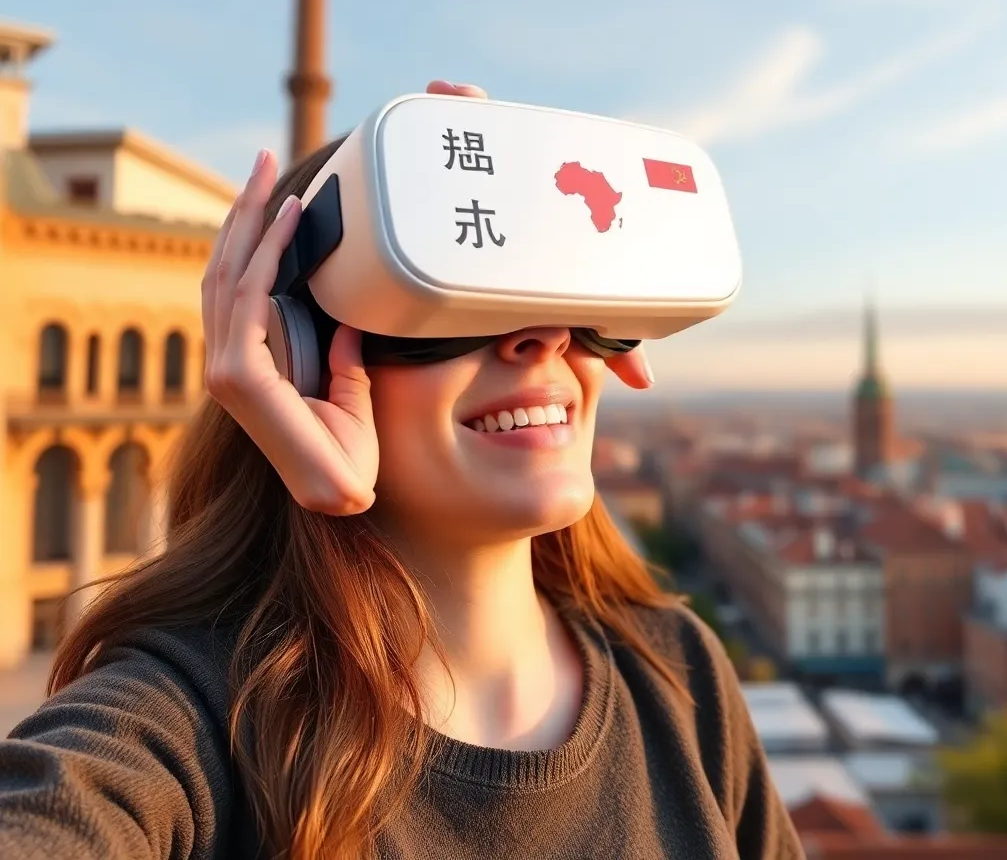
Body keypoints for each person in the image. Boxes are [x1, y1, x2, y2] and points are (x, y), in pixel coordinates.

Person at [0, 81, 803, 860]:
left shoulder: (677, 670)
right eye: (448, 300)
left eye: (558, 293)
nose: (542, 338)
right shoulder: (191, 724)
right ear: (291, 357)